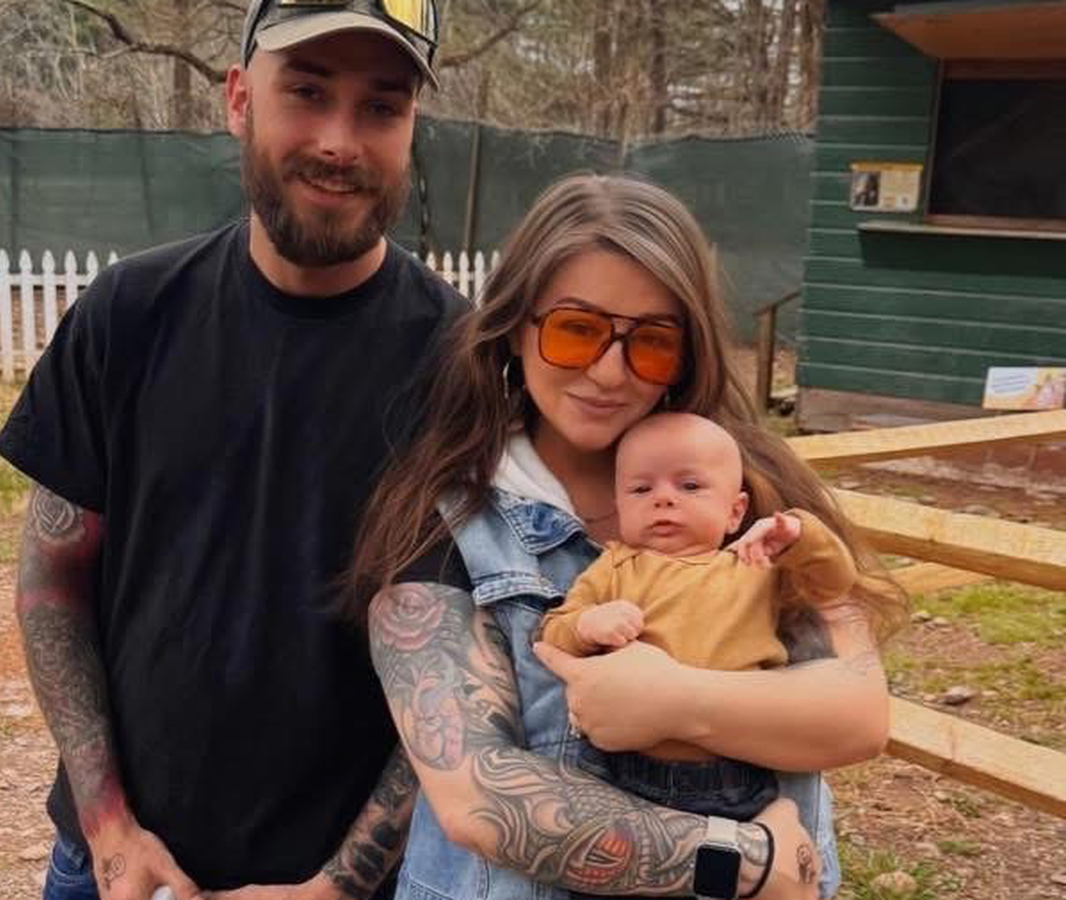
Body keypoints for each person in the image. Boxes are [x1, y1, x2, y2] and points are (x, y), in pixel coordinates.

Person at [0, 2, 461, 899]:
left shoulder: (462, 366)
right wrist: (109, 830)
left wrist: (338, 885)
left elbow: (469, 667)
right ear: (240, 99)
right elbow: (53, 581)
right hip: (115, 871)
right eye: (307, 93)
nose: (339, 141)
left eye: (381, 106)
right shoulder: (129, 314)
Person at [349, 174, 907, 900]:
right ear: (516, 327)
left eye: (651, 341)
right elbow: (477, 795)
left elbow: (857, 717)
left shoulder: (762, 496)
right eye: (575, 329)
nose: (610, 372)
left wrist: (675, 702)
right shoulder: (449, 519)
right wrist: (747, 861)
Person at [540, 411, 859, 824]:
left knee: (736, 857)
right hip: (619, 770)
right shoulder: (614, 567)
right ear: (619, 508)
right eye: (641, 489)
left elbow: (835, 581)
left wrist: (799, 536)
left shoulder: (754, 565)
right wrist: (587, 624)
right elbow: (554, 629)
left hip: (734, 771)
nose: (663, 498)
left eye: (689, 486)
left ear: (735, 511)